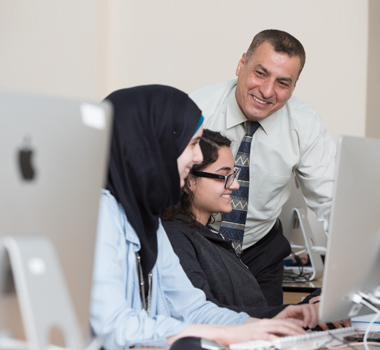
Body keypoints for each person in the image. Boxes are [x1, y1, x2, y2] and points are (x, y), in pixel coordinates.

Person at [89, 85, 318, 350]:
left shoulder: (148, 222)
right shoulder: (100, 213)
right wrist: (229, 335)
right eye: (191, 144)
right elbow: (116, 327)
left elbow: (193, 310)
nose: (197, 157)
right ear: (153, 145)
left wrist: (255, 326)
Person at [189, 29, 336, 306]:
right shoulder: (196, 110)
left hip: (259, 251)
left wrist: (348, 277)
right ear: (241, 64)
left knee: (270, 338)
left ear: (294, 87)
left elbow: (334, 203)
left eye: (283, 82)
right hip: (198, 245)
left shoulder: (304, 124)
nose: (268, 91)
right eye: (260, 73)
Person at [162, 129, 323, 321]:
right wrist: (292, 314)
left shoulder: (208, 236)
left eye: (234, 174)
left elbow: (247, 310)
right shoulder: (174, 238)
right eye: (225, 175)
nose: (236, 185)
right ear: (189, 180)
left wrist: (309, 306)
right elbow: (204, 314)